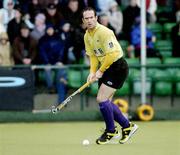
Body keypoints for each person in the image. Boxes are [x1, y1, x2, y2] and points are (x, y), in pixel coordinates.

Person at [82, 7, 138, 145]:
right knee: (106, 101)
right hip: (106, 68)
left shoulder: (105, 32)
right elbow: (93, 56)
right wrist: (92, 72)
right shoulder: (87, 36)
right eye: (86, 18)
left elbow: (112, 54)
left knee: (101, 98)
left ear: (96, 18)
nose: (89, 20)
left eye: (91, 17)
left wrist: (100, 71)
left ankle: (111, 131)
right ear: (83, 20)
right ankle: (127, 127)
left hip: (117, 66)